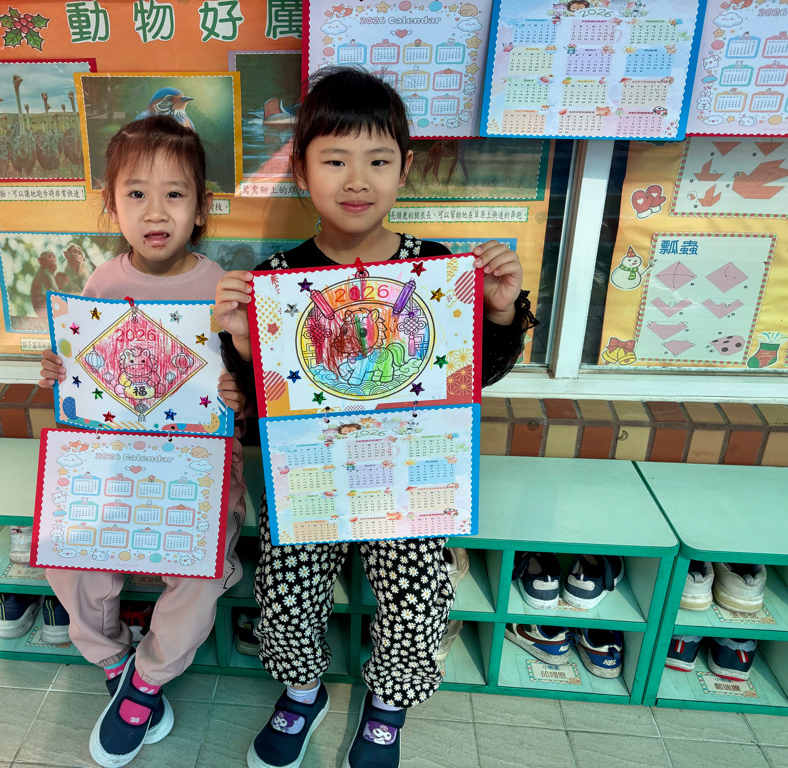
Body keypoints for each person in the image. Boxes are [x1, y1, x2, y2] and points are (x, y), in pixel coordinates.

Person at [214, 67, 538, 768]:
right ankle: (303, 692)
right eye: (334, 160)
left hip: (408, 480)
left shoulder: (436, 269)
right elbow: (262, 410)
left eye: (378, 160)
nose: (357, 179)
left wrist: (499, 312)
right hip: (311, 479)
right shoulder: (277, 279)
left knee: (420, 599)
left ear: (404, 170)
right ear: (301, 170)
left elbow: (476, 377)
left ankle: (387, 707)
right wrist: (242, 345)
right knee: (284, 594)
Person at [38, 115, 247, 768]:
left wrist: (239, 393)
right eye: (136, 193)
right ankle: (111, 659)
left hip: (199, 468)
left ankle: (149, 677)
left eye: (174, 194)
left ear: (201, 207)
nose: (155, 211)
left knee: (200, 571)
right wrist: (59, 370)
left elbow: (247, 384)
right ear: (112, 204)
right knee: (69, 549)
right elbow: (88, 378)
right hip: (115, 461)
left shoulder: (220, 289)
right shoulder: (102, 285)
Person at [30, 250, 60, 319]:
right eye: (49, 257)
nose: (53, 260)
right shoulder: (46, 271)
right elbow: (57, 293)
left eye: (54, 257)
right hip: (43, 306)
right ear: (42, 261)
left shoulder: (47, 273)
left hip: (42, 307)